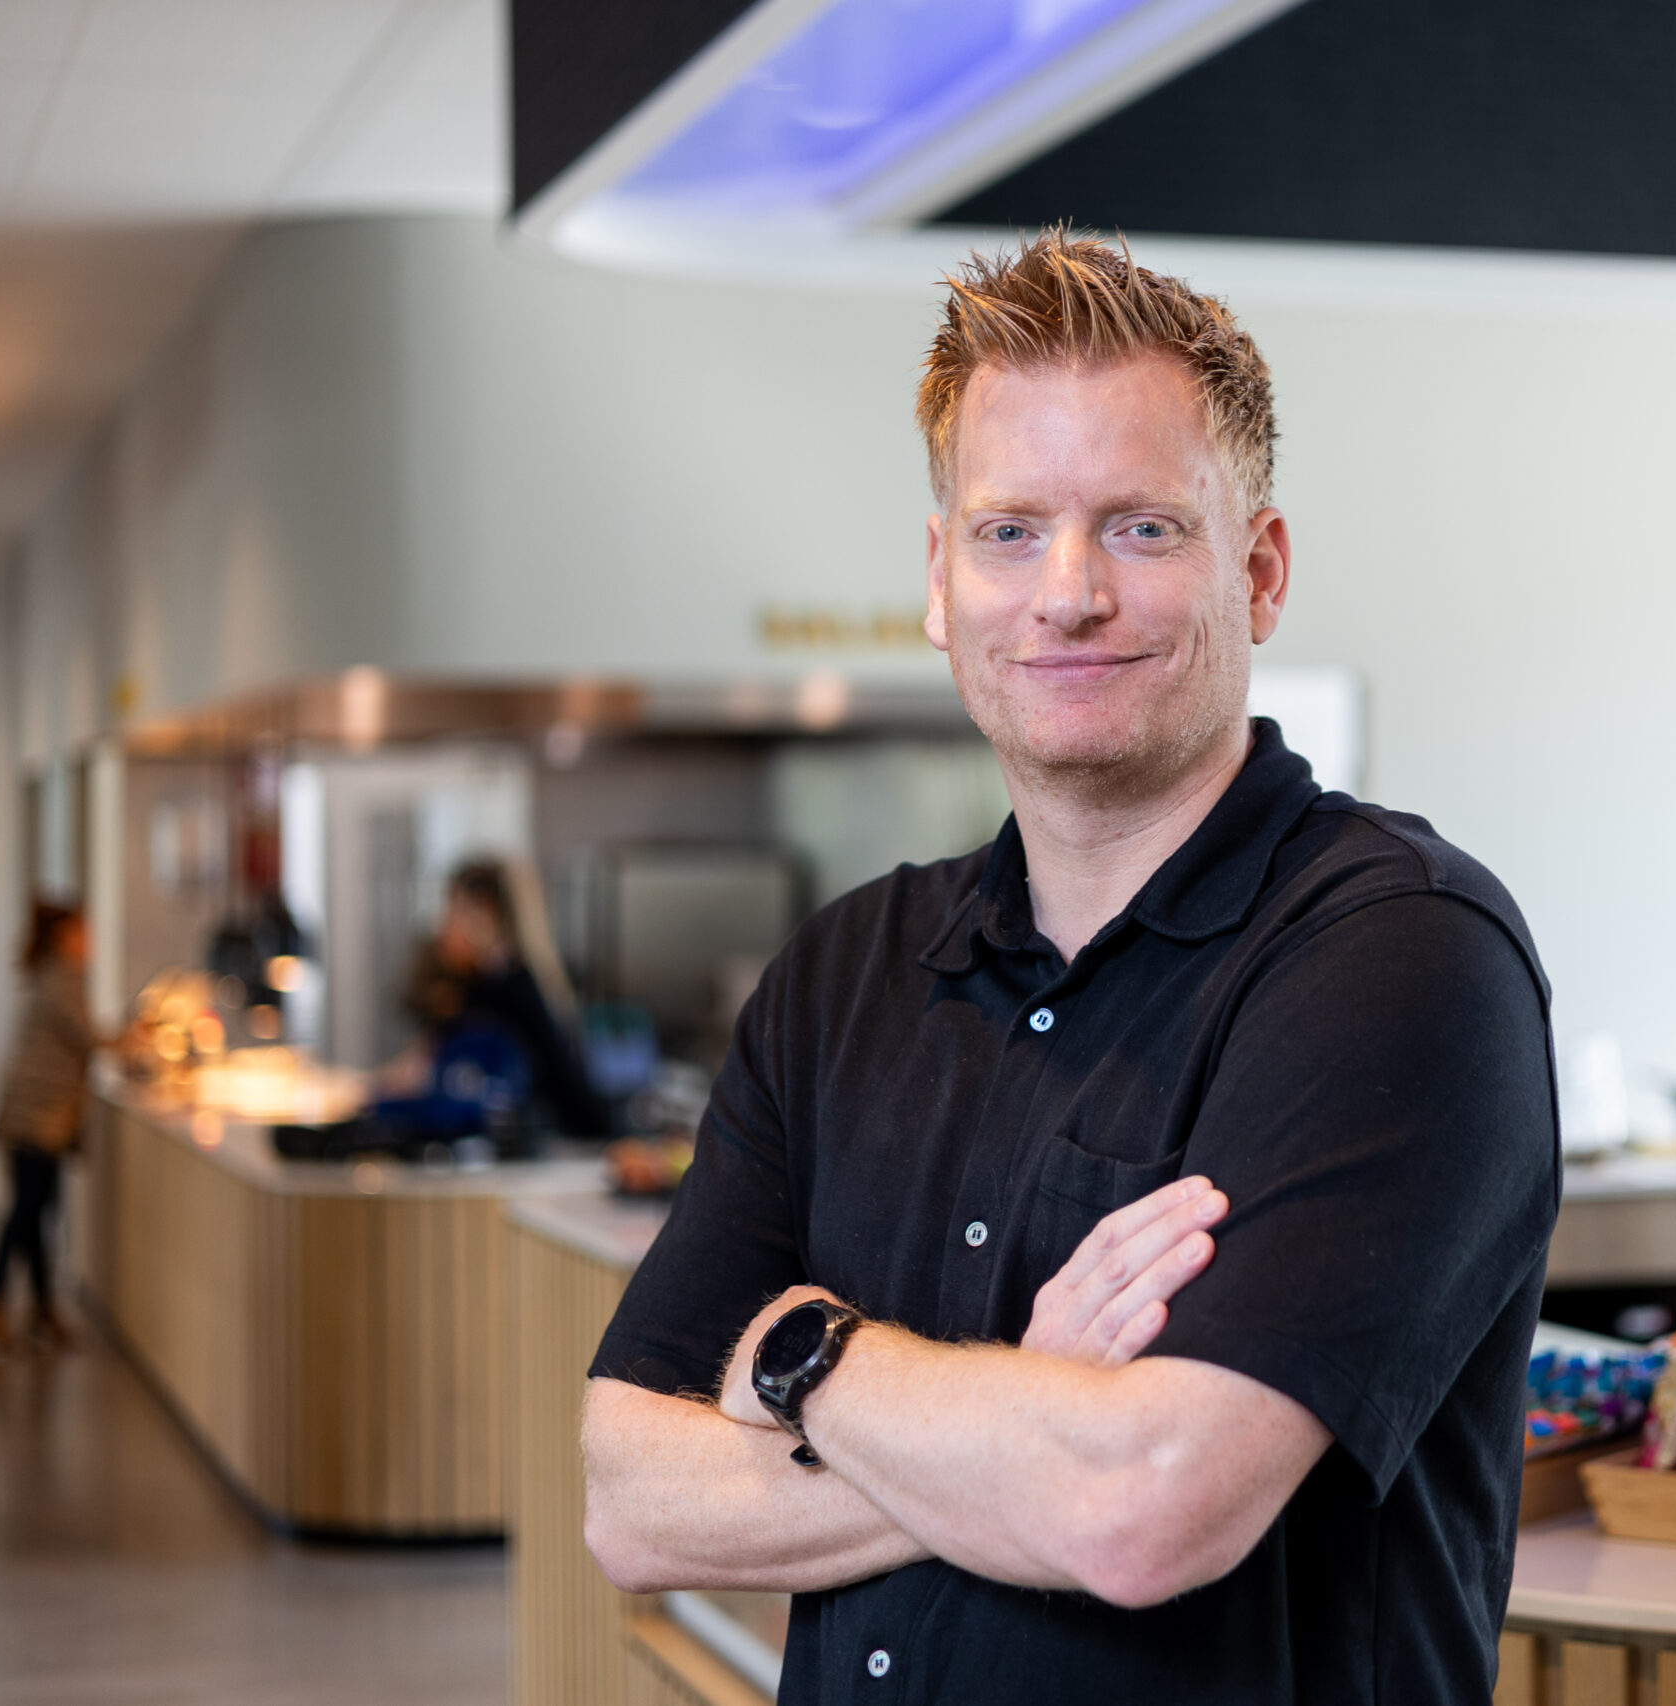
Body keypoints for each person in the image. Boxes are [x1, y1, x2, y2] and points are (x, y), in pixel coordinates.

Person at [580, 231, 1561, 1704]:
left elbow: (1140, 1506)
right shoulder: (841, 973)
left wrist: (803, 1353)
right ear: (940, 576)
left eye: (1144, 529)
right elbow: (631, 1496)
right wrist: (1021, 1403)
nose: (1070, 591)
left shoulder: (1401, 958)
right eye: (1010, 530)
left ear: (1262, 567)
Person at [380, 859, 610, 1141]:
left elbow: (576, 1104)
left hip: (547, 1157)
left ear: (483, 916)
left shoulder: (511, 991)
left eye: (452, 910)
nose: (443, 926)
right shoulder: (477, 989)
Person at [0, 901, 99, 1349]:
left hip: (35, 1113)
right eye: (84, 932)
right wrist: (138, 1036)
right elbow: (90, 1039)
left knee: (39, 1208)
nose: (91, 941)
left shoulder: (52, 974)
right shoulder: (63, 979)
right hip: (38, 1116)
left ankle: (43, 1307)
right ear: (66, 936)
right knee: (27, 1210)